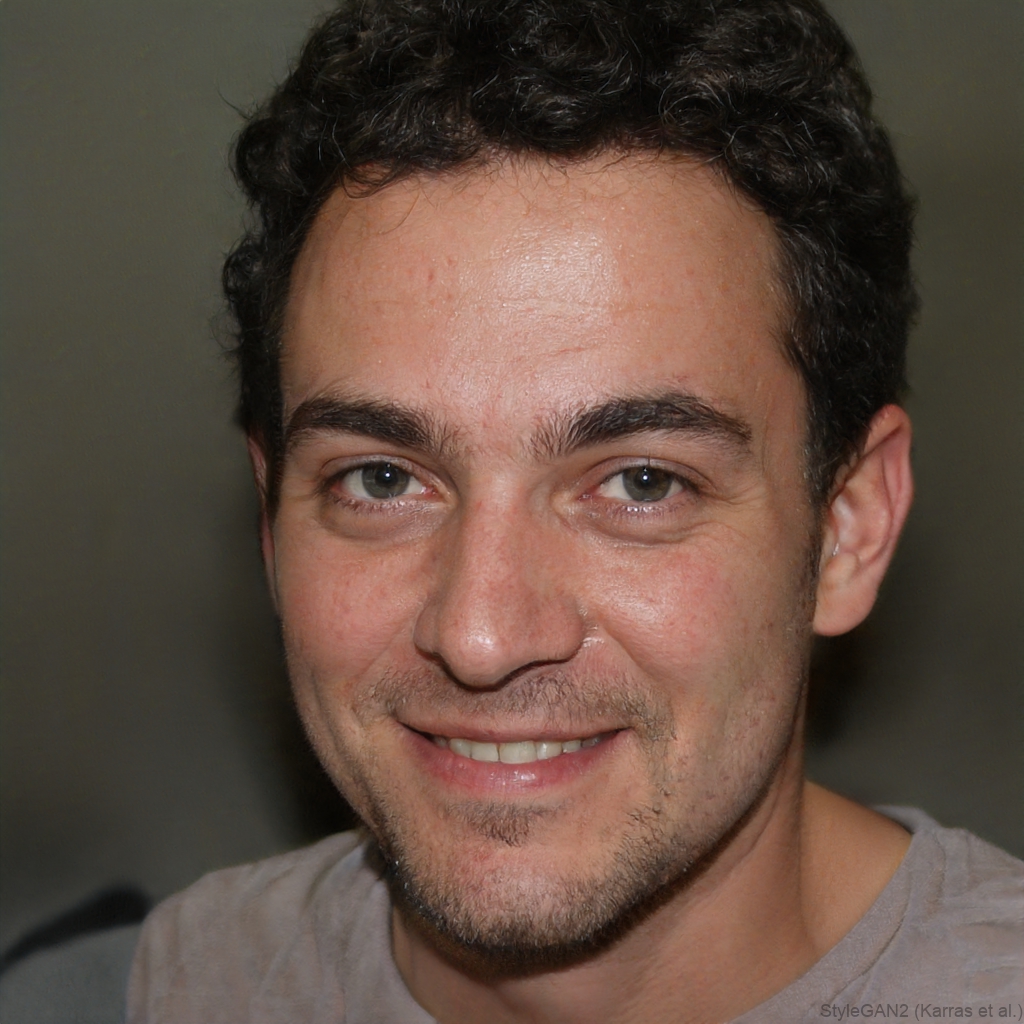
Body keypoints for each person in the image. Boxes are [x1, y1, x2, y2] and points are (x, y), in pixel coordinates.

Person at [124, 0, 1023, 1021]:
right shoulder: (201, 974)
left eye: (641, 483)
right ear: (271, 523)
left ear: (848, 527)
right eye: (381, 479)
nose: (481, 635)